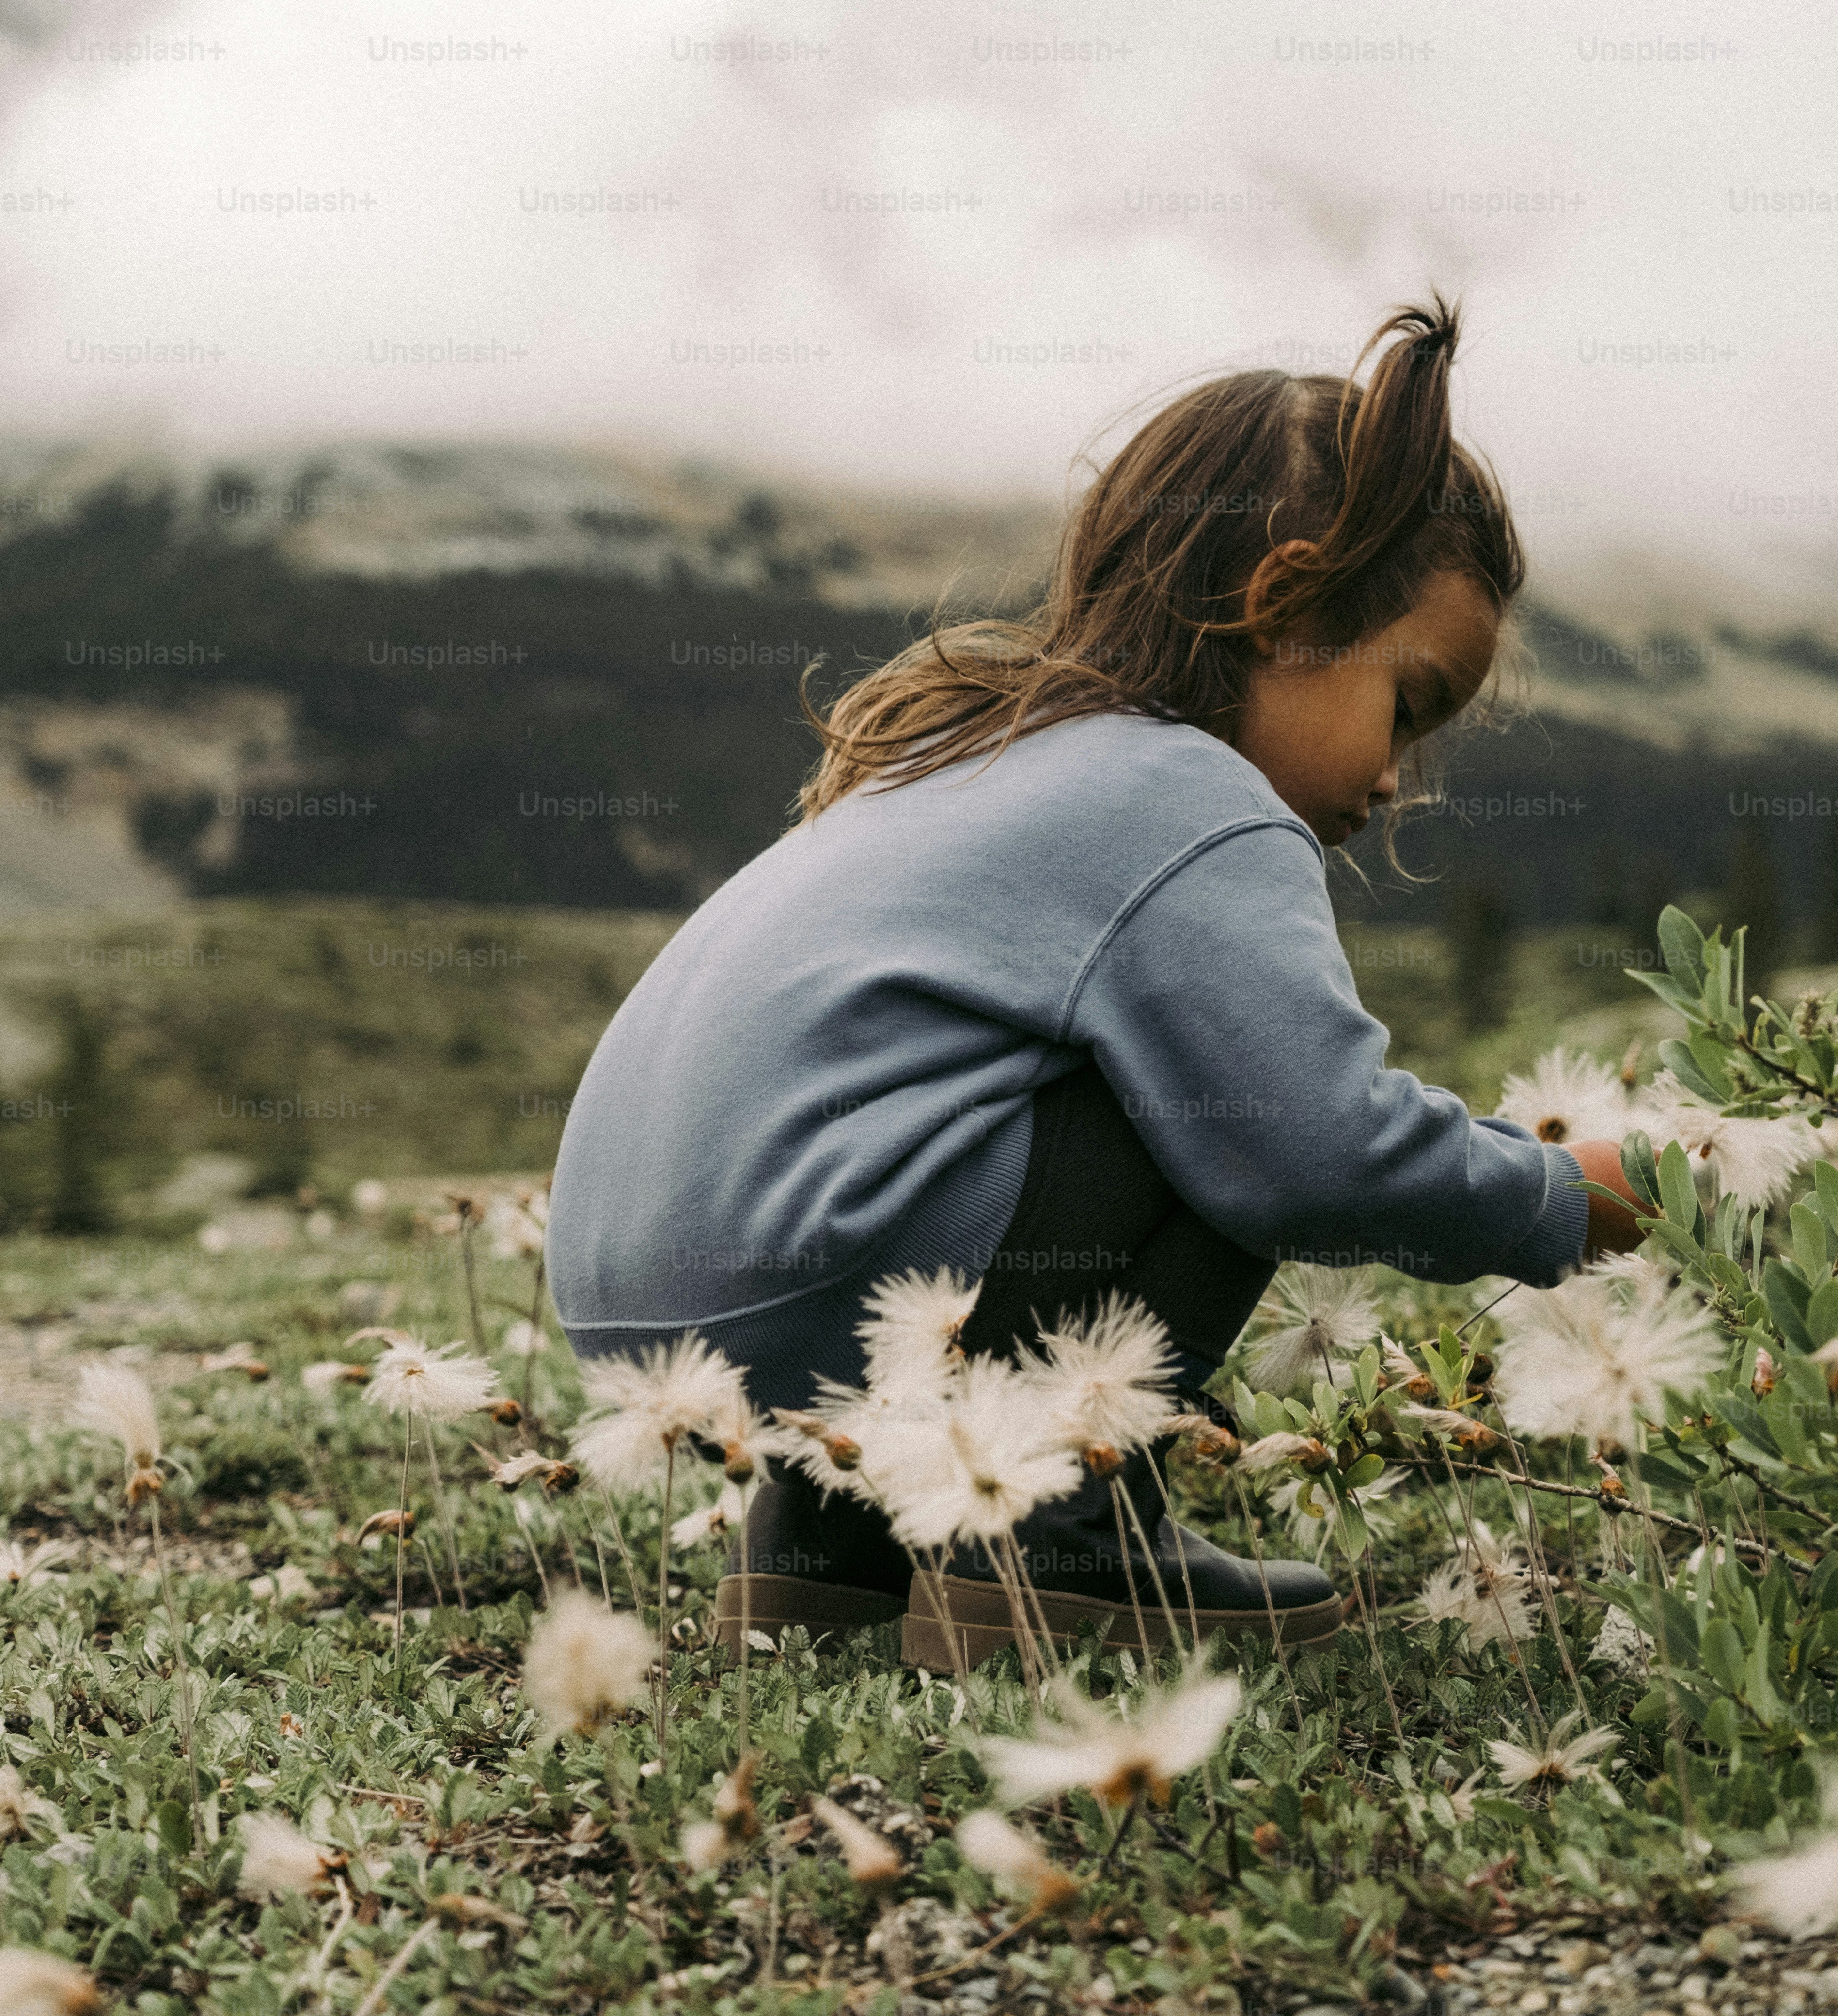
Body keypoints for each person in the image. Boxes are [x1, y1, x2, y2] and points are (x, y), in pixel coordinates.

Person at [548, 296, 1648, 1670]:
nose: (1392, 779)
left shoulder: (965, 755)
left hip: (644, 1308)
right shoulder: (1193, 796)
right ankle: (1060, 1530)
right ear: (1284, 604)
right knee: (1232, 1101)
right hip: (818, 1274)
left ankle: (830, 1553)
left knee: (1084, 1082)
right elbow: (1318, 1156)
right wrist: (1563, 1195)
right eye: (1407, 706)